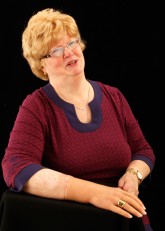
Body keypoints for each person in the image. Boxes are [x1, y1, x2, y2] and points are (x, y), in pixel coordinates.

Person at [1, 8, 155, 230]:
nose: (69, 53)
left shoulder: (114, 96)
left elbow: (143, 150)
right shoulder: (36, 106)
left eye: (72, 43)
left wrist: (133, 176)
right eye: (56, 50)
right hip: (72, 220)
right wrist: (94, 194)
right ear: (41, 64)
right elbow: (16, 167)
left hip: (121, 217)